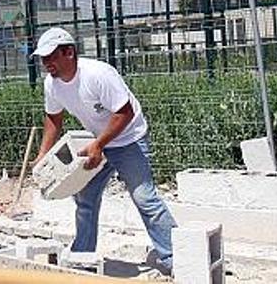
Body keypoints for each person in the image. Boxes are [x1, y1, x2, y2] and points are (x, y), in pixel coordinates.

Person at [30, 27, 176, 272]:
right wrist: (43, 154)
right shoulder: (52, 84)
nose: (46, 64)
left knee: (144, 198)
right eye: (43, 59)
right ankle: (82, 258)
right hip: (97, 140)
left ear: (69, 52)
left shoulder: (98, 74)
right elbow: (53, 118)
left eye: (51, 57)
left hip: (129, 138)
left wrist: (99, 145)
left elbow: (125, 112)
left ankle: (176, 258)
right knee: (85, 199)